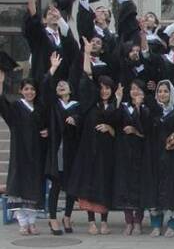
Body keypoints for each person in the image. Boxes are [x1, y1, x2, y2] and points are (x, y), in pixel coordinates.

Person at [65, 41, 120, 236]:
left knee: (104, 185)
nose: (104, 91)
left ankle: (104, 222)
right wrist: (87, 54)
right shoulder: (90, 103)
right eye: (102, 88)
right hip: (89, 151)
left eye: (108, 88)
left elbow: (119, 128)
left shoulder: (114, 106)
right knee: (88, 186)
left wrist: (110, 128)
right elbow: (87, 75)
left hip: (106, 153)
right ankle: (91, 222)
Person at [0, 69, 47, 236]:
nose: (29, 92)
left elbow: (45, 126)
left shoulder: (39, 108)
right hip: (20, 153)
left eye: (32, 89)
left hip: (36, 154)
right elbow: (3, 106)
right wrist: (1, 84)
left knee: (34, 188)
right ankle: (22, 223)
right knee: (19, 188)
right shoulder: (16, 107)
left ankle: (32, 223)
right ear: (21, 91)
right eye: (26, 89)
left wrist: (46, 131)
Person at [42, 52, 80, 235]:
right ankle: (52, 218)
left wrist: (75, 119)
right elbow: (45, 86)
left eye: (64, 84)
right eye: (58, 85)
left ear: (70, 89)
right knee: (56, 186)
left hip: (72, 151)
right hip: (56, 150)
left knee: (71, 187)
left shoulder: (76, 106)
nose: (61, 85)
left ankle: (67, 216)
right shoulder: (53, 104)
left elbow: (82, 121)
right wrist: (53, 68)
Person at [141, 80, 174, 238]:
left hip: (172, 156)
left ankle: (172, 224)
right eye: (159, 91)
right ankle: (156, 224)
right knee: (155, 189)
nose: (162, 94)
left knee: (171, 189)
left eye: (165, 91)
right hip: (154, 155)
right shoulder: (152, 111)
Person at [111, 79, 148, 236]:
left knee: (138, 186)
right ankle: (128, 222)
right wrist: (118, 99)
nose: (135, 91)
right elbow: (114, 121)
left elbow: (146, 129)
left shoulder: (146, 108)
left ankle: (138, 222)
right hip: (124, 152)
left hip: (140, 152)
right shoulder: (123, 107)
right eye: (133, 88)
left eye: (138, 89)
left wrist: (138, 109)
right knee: (125, 185)